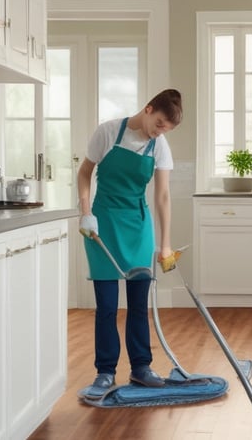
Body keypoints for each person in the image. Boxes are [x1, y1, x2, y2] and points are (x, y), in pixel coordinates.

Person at [77, 88, 183, 395]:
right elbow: (84, 173)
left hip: (138, 225)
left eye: (167, 129)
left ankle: (141, 367)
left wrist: (165, 244)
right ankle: (105, 371)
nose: (160, 132)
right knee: (107, 306)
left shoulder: (159, 146)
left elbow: (162, 197)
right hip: (103, 225)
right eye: (160, 124)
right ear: (149, 109)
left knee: (139, 304)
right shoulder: (109, 132)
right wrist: (86, 212)